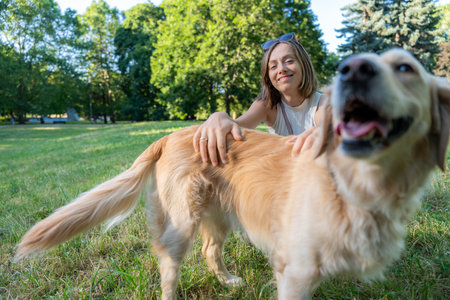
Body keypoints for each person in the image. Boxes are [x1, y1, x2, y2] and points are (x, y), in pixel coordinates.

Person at [193, 32, 327, 166]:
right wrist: (218, 117)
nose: (281, 69)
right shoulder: (267, 104)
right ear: (268, 76)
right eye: (273, 66)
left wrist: (324, 132)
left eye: (289, 61)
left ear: (304, 65)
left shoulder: (322, 103)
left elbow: (337, 128)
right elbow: (236, 126)